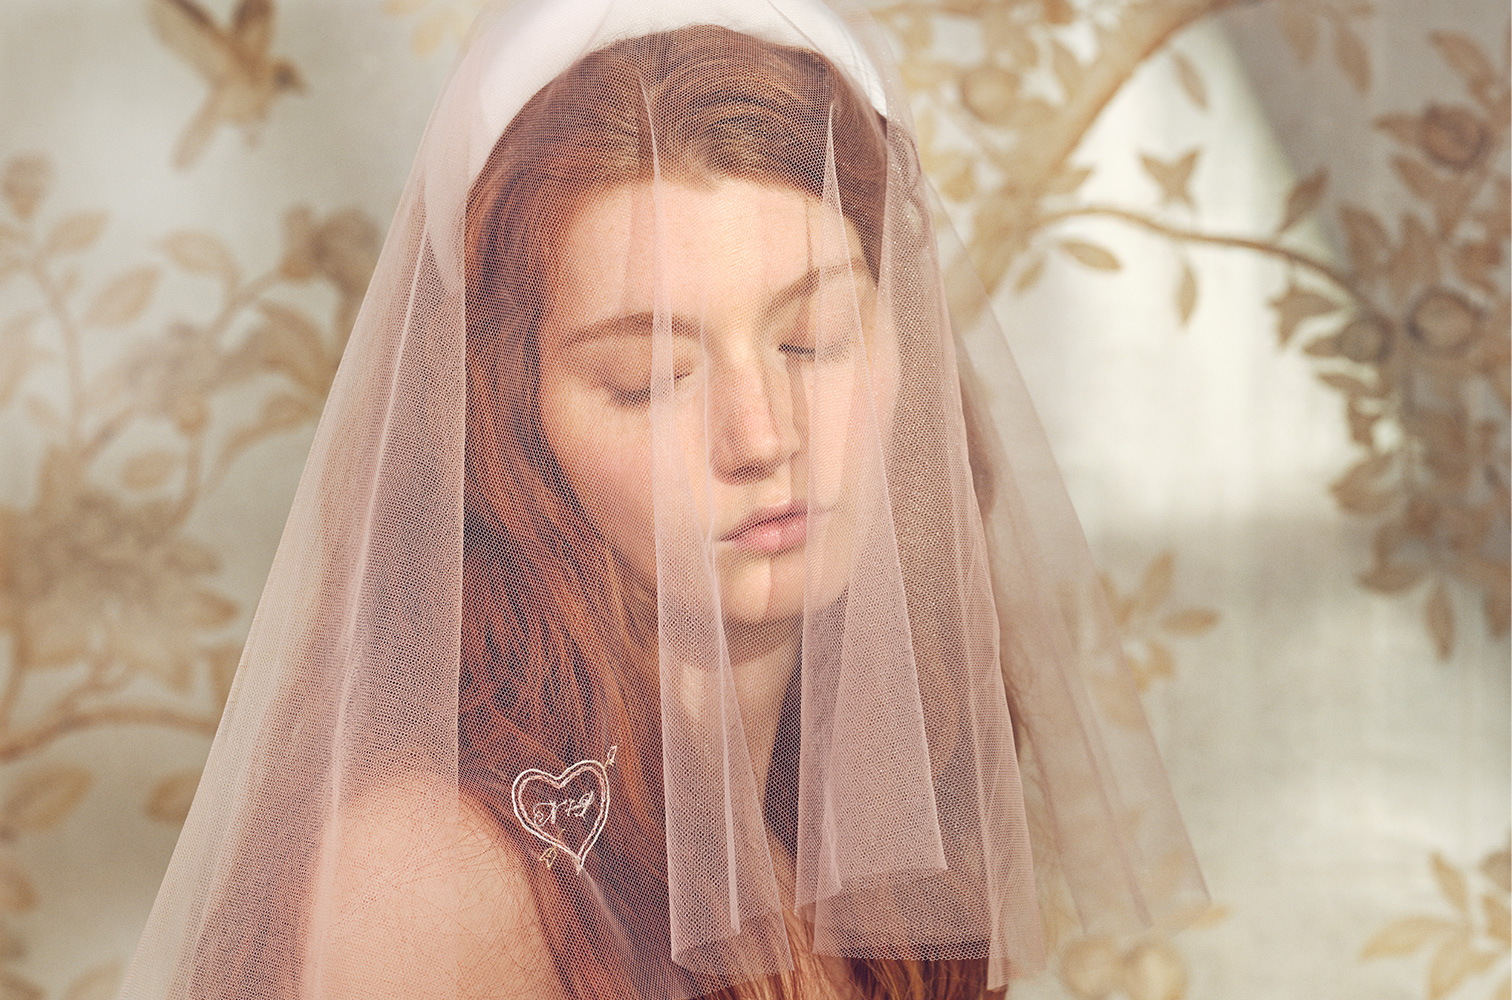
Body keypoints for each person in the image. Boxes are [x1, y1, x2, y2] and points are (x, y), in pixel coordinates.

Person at [116, 2, 1206, 999]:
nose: (762, 437)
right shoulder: (430, 873)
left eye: (813, 339)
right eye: (650, 379)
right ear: (515, 428)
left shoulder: (853, 814)